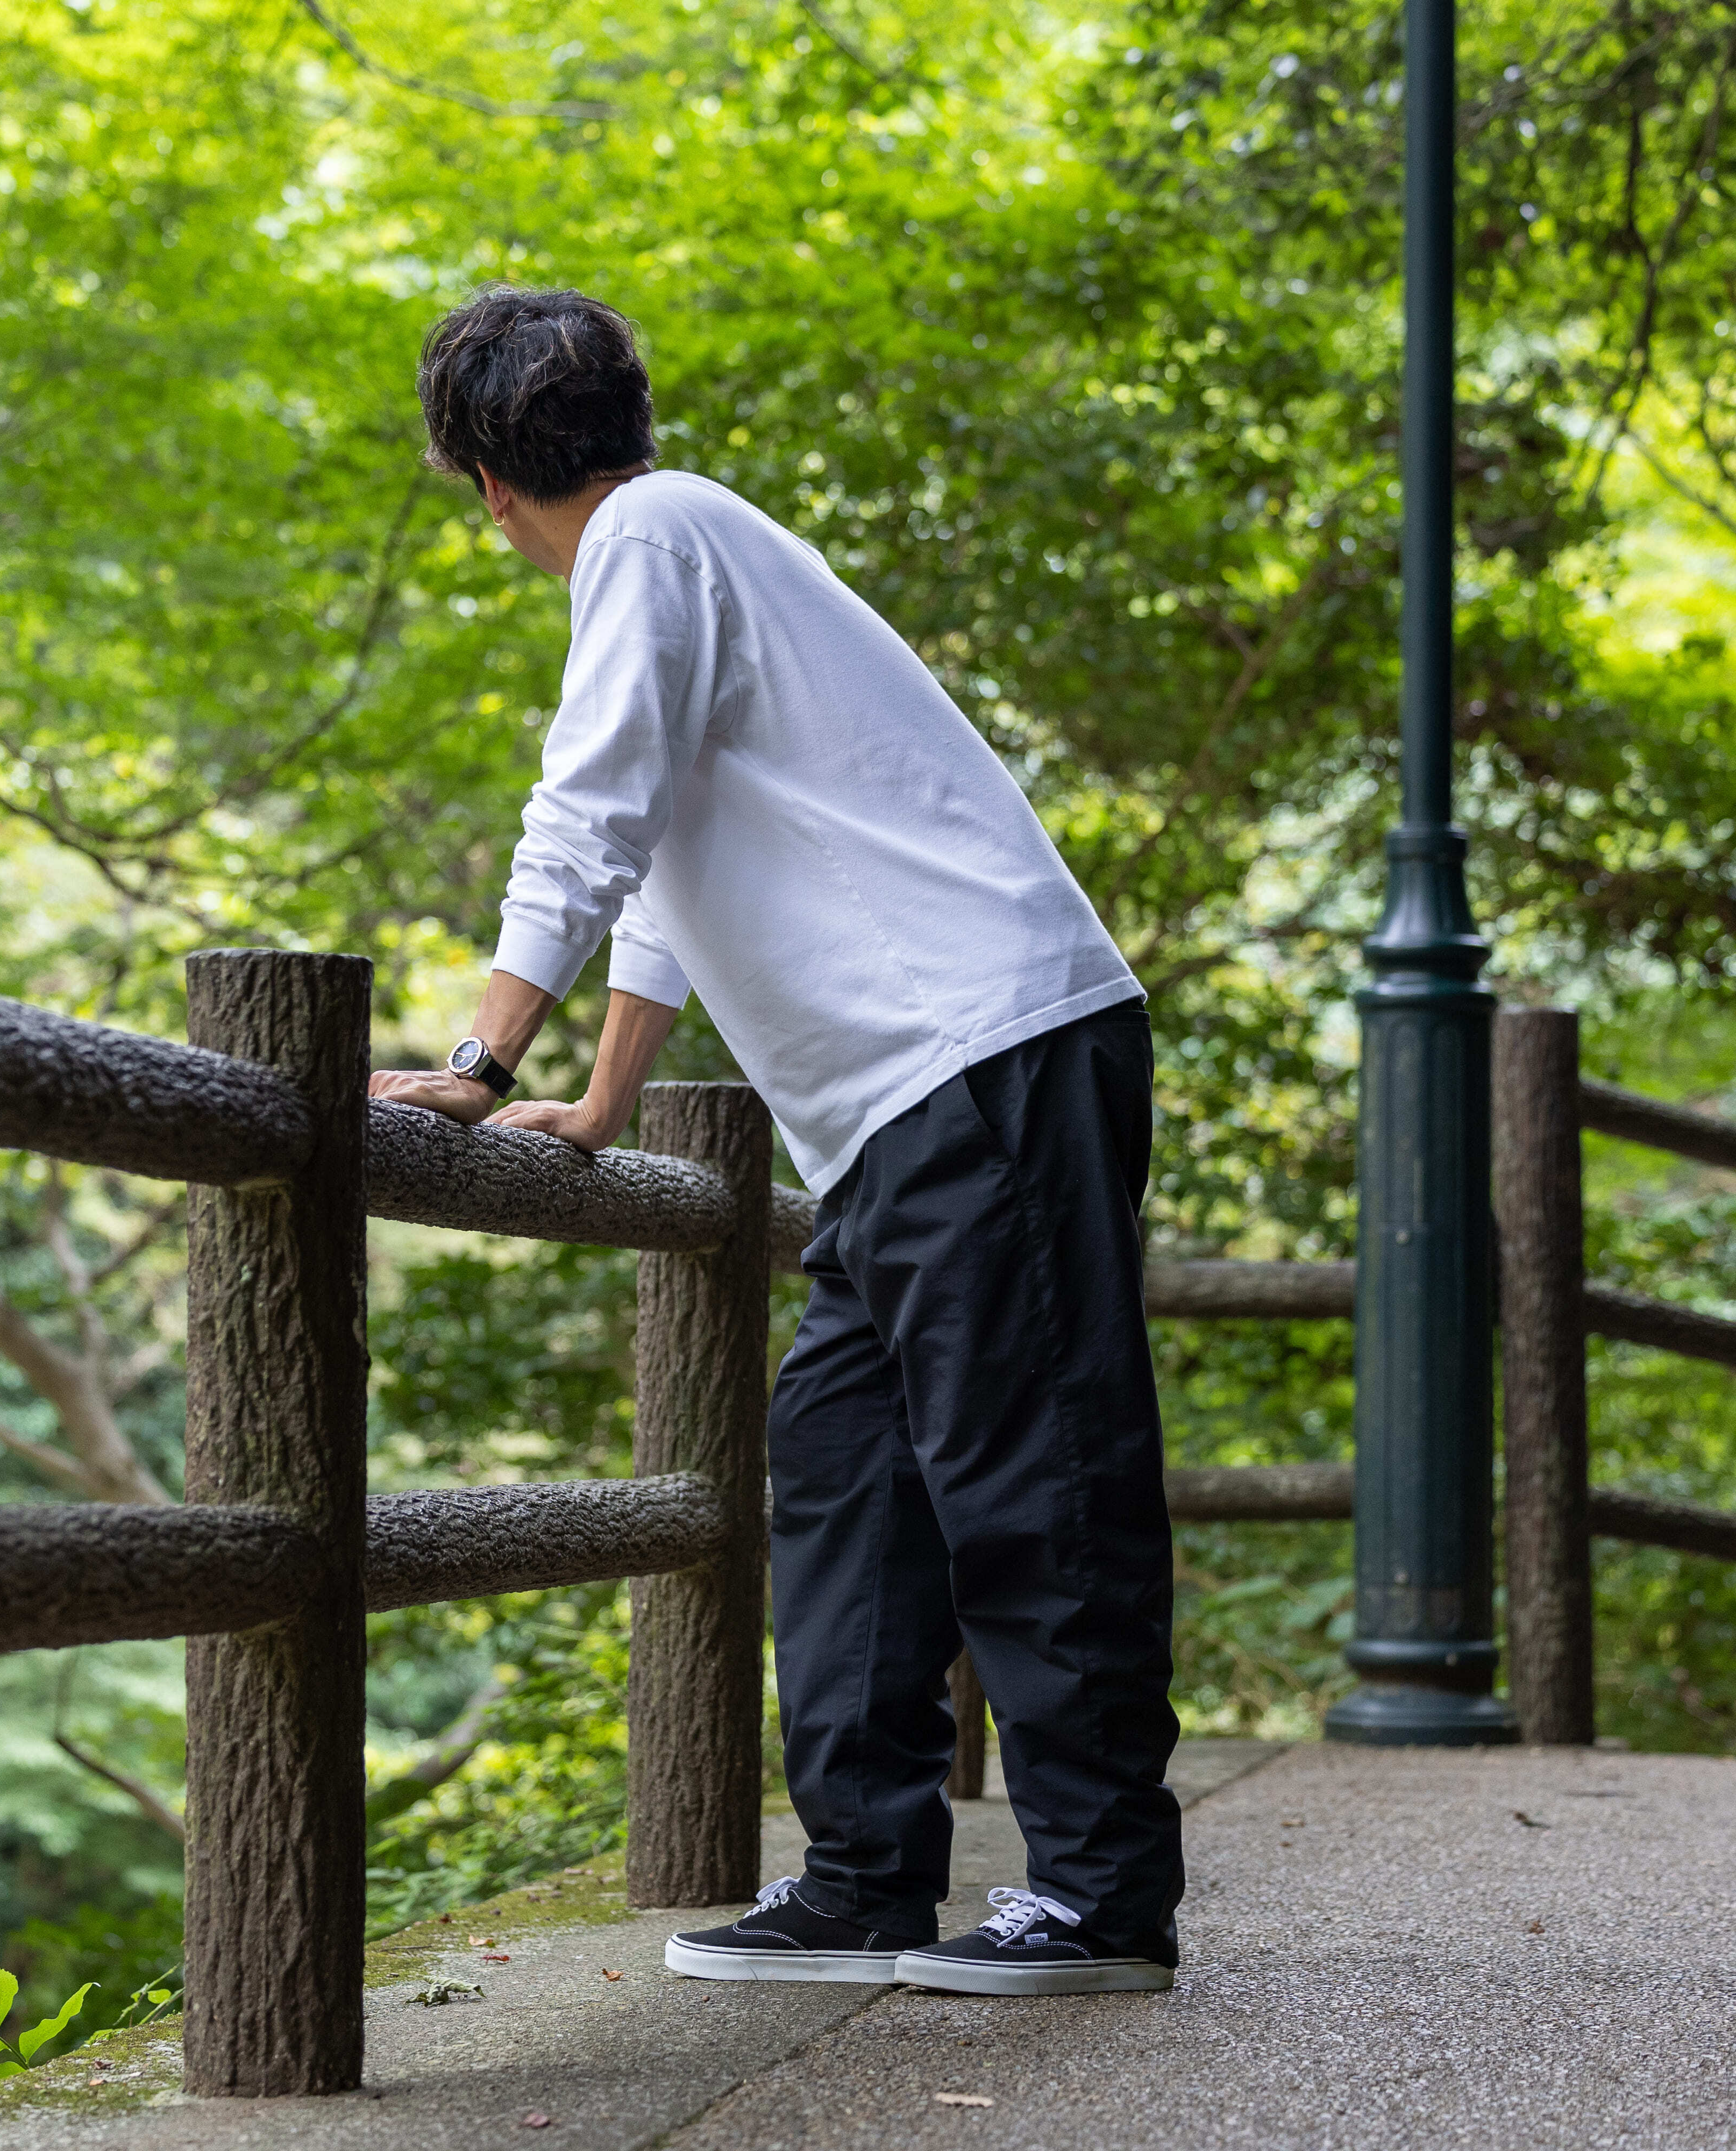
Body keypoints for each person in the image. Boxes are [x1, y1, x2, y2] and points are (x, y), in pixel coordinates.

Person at [371, 284, 1182, 1997]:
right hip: (905, 1109)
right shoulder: (682, 545)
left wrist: (475, 1051)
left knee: (1032, 1482)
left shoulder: (653, 544)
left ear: (485, 482)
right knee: (842, 1476)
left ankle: (1106, 1898)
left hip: (986, 1056)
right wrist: (599, 1096)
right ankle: (871, 1876)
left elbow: (590, 805)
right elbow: (667, 857)